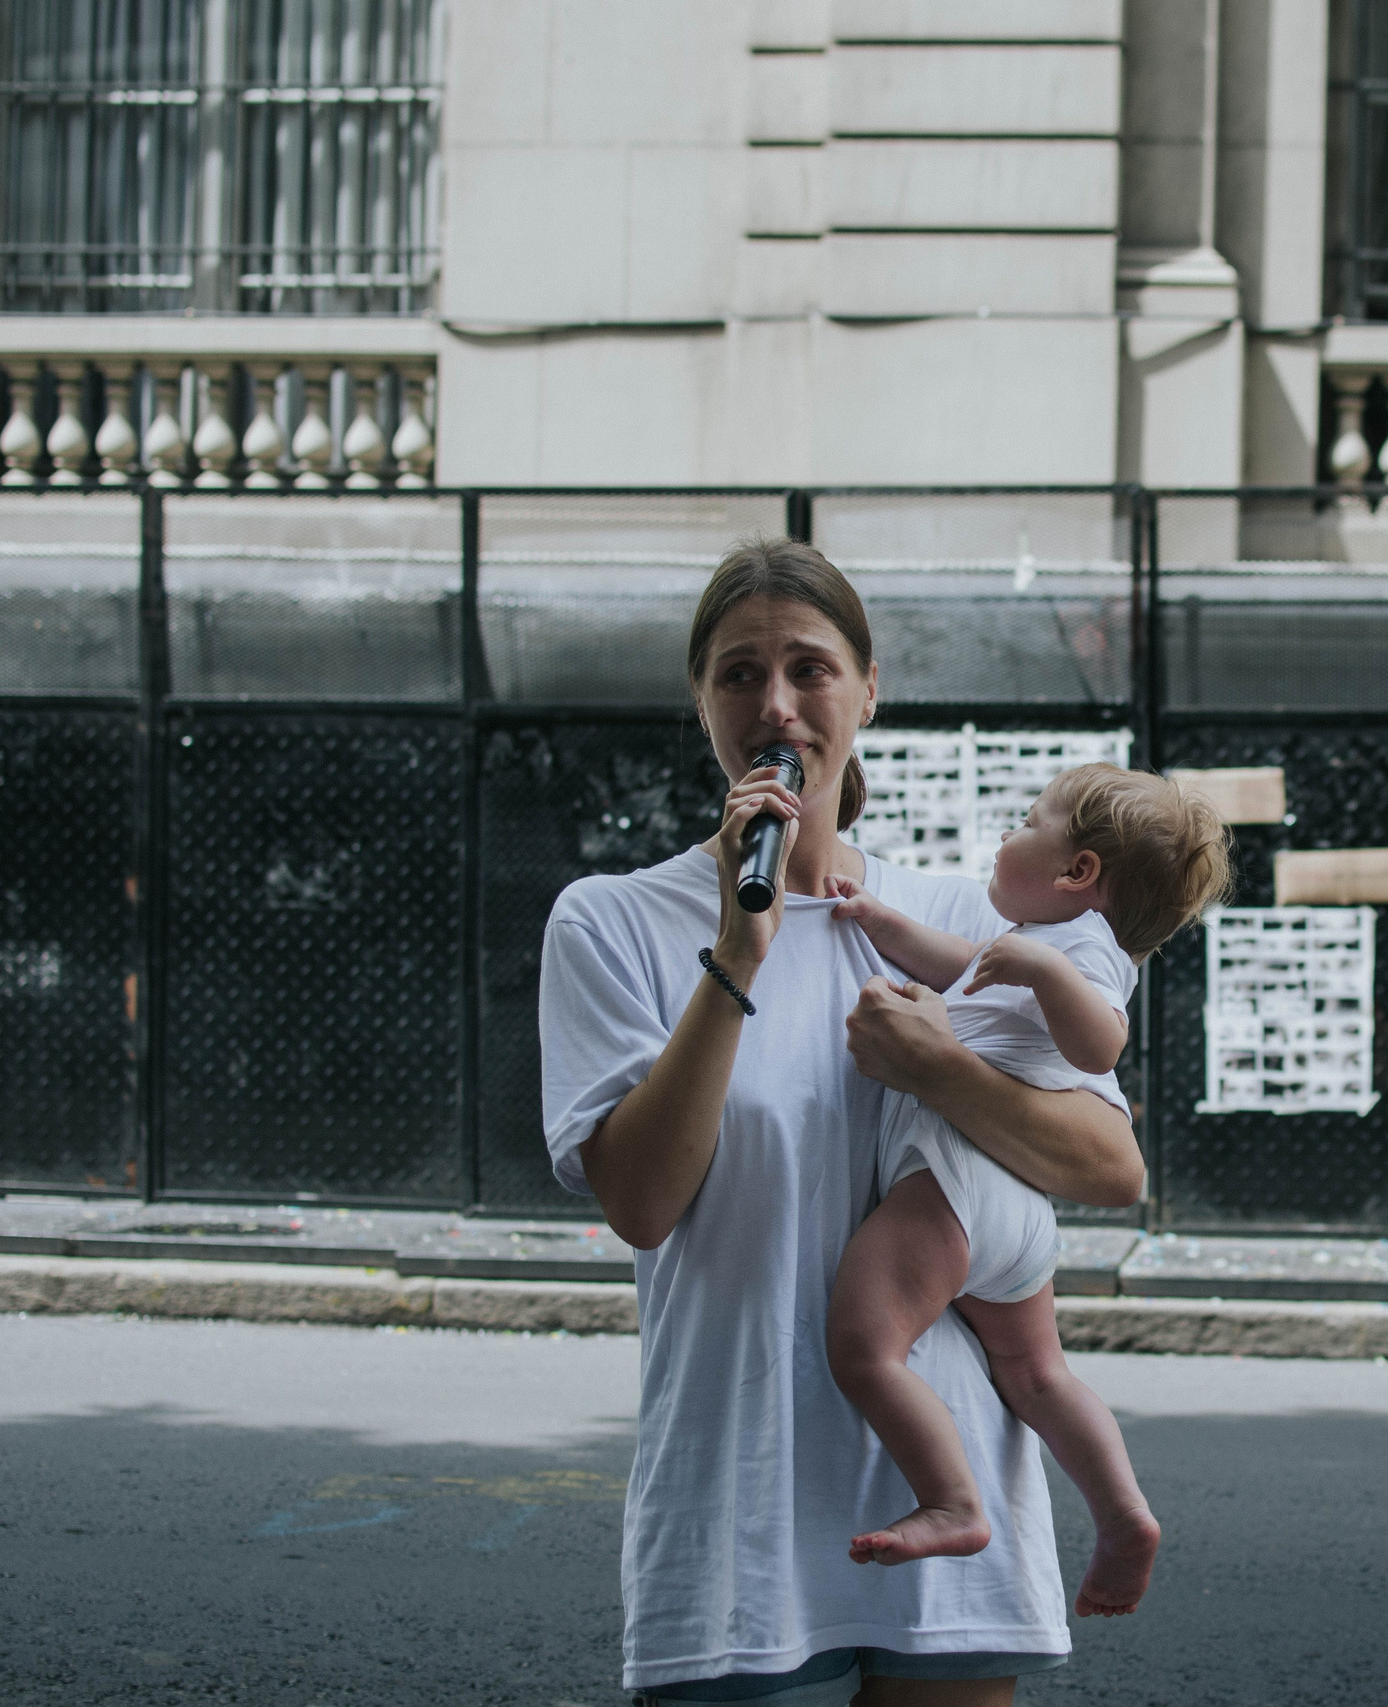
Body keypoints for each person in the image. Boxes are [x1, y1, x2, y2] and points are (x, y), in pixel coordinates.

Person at [539, 540, 1145, 1707]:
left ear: (867, 690)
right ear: (702, 702)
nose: (775, 704)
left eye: (810, 669)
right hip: (738, 1504)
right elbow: (642, 1200)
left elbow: (1110, 1167)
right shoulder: (611, 922)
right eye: (737, 675)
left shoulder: (959, 920)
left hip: (954, 1498)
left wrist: (946, 1071)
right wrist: (736, 950)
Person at [823, 764, 1231, 1617]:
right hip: (1009, 1210)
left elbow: (1102, 1044)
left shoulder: (1082, 949)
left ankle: (953, 1499)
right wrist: (877, 919)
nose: (1005, 834)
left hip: (956, 1182)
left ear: (1077, 872)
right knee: (1039, 1374)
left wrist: (1043, 973)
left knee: (864, 1347)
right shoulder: (1027, 943)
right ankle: (1122, 1513)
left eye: (1024, 820)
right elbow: (952, 966)